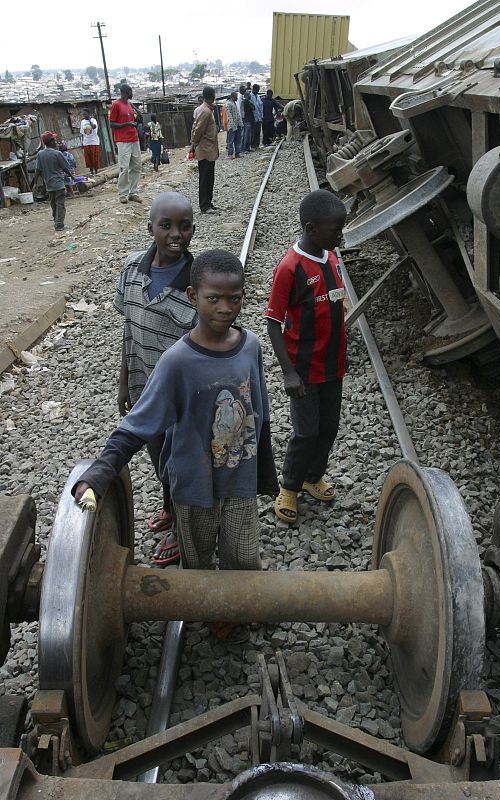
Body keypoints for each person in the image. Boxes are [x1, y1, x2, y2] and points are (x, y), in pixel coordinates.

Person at [73, 249, 278, 643]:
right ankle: (206, 609)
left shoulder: (250, 345)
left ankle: (238, 605)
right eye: (213, 298)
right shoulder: (177, 362)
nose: (224, 307)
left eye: (234, 298)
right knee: (198, 558)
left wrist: (263, 473)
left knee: (243, 554)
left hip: (239, 480)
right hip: (193, 486)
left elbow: (260, 410)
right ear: (192, 297)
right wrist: (100, 472)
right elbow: (138, 425)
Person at [114, 191, 197, 565]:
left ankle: (183, 529)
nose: (175, 234)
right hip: (143, 390)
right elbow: (129, 330)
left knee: (179, 463)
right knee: (158, 457)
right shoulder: (131, 270)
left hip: (181, 401)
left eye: (184, 226)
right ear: (151, 228)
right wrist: (123, 382)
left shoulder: (198, 286)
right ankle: (169, 506)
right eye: (166, 226)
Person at [264, 189, 347, 524]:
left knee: (328, 428)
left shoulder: (332, 256)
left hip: (333, 365)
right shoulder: (290, 267)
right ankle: (290, 486)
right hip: (304, 369)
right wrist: (288, 373)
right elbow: (272, 322)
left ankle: (314, 476)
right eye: (335, 229)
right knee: (305, 432)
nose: (340, 235)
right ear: (311, 229)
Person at [35, 131, 75, 231]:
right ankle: (59, 224)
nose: (56, 141)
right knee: (60, 204)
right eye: (54, 139)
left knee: (53, 204)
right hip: (58, 183)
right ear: (51, 141)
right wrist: (72, 177)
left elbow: (37, 170)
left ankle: (56, 220)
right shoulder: (57, 154)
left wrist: (35, 183)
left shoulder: (40, 154)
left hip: (49, 184)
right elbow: (66, 168)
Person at [109, 84, 142, 205]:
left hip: (134, 138)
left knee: (137, 166)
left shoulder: (129, 104)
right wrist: (126, 124)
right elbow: (112, 123)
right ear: (126, 92)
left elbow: (134, 121)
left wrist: (138, 117)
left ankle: (133, 192)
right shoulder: (116, 105)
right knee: (124, 167)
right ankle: (123, 194)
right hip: (123, 140)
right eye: (131, 91)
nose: (132, 93)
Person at [190, 86, 219, 215]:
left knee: (209, 177)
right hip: (205, 149)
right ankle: (204, 205)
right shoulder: (206, 111)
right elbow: (198, 129)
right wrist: (195, 144)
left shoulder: (205, 109)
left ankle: (208, 202)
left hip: (208, 149)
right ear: (212, 97)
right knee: (205, 178)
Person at [80, 108, 100, 175]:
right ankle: (91, 171)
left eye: (85, 114)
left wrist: (89, 120)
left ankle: (96, 171)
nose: (84, 115)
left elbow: (94, 127)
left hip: (94, 141)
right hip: (86, 142)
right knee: (88, 158)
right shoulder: (82, 122)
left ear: (88, 114)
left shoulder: (93, 120)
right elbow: (82, 133)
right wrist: (82, 142)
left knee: (95, 157)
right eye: (83, 114)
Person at [225, 92, 242, 159]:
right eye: (236, 96)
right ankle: (230, 154)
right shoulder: (228, 104)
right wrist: (233, 126)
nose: (237, 98)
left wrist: (240, 123)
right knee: (230, 140)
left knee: (238, 140)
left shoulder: (234, 103)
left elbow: (238, 114)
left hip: (237, 124)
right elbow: (229, 116)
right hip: (232, 126)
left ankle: (237, 153)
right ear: (233, 96)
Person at [250, 84, 263, 149]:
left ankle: (257, 145)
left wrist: (261, 116)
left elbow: (260, 107)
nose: (258, 91)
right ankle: (253, 145)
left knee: (258, 132)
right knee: (253, 133)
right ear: (254, 89)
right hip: (253, 118)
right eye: (257, 90)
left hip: (259, 118)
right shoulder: (250, 96)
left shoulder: (258, 97)